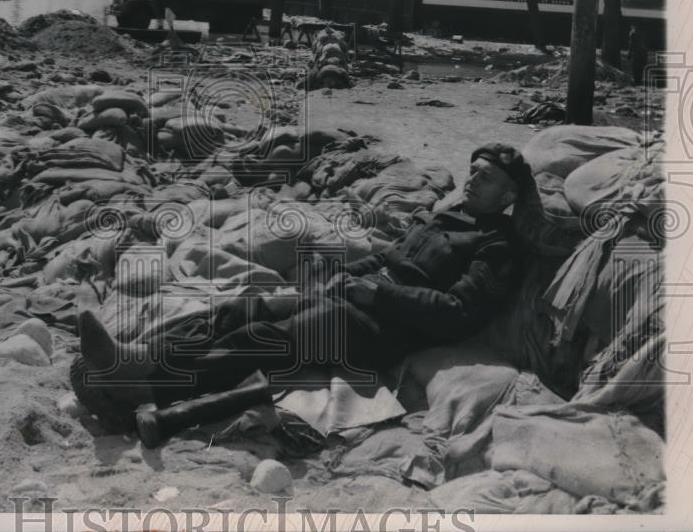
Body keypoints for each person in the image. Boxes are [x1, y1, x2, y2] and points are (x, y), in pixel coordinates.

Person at [74, 143, 531, 415]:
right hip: (358, 298)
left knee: (266, 335)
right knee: (246, 306)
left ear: (509, 196)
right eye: (472, 171)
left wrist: (377, 294)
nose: (471, 181)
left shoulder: (498, 246)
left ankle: (149, 388)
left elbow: (458, 314)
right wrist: (342, 275)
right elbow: (386, 258)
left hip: (392, 328)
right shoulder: (444, 216)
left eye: (485, 178)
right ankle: (143, 356)